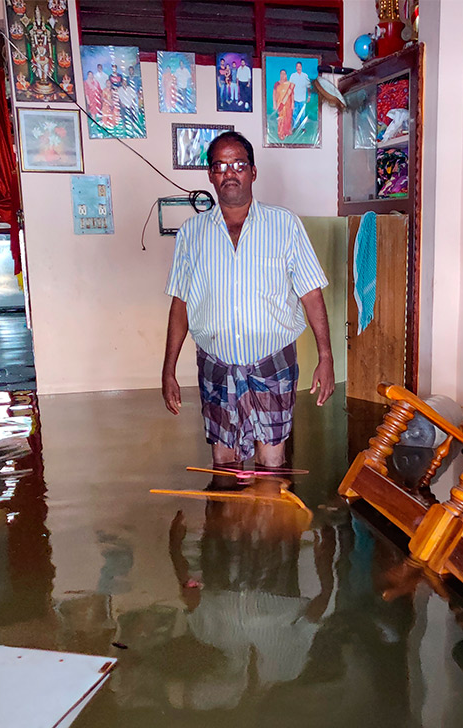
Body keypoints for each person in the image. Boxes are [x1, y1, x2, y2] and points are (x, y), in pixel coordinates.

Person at [162, 131, 334, 468]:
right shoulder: (191, 234)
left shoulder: (285, 225)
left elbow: (311, 292)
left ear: (253, 172)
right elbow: (181, 303)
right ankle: (229, 520)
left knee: (272, 460)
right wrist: (168, 369)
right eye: (220, 165)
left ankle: (268, 517)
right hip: (215, 364)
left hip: (273, 361)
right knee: (223, 460)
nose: (230, 172)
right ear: (211, 175)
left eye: (238, 164)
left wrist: (325, 356)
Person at [288, 61, 311, 132]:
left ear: (301, 67)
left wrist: (309, 96)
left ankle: (302, 127)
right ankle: (294, 127)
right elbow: (290, 87)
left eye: (299, 66)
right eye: (297, 66)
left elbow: (308, 87)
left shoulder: (305, 76)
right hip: (294, 98)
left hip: (302, 98)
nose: (298, 68)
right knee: (294, 114)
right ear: (296, 67)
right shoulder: (293, 76)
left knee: (302, 114)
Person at [273, 70, 294, 139]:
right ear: (280, 75)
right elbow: (274, 94)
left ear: (286, 75)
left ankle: (287, 132)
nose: (282, 75)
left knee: (288, 118)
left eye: (284, 74)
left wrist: (292, 103)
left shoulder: (289, 84)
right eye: (281, 74)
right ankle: (281, 133)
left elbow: (292, 94)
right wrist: (274, 104)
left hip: (288, 104)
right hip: (280, 104)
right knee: (281, 118)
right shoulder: (277, 84)